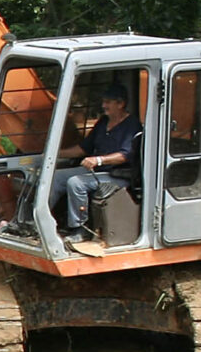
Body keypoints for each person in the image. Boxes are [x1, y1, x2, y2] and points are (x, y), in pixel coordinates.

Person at [51, 85, 143, 240]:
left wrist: (99, 160)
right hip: (98, 171)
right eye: (103, 101)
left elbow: (126, 155)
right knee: (57, 177)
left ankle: (80, 229)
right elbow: (84, 148)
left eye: (108, 102)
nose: (103, 106)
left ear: (120, 104)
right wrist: (55, 153)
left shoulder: (132, 125)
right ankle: (40, 219)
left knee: (76, 183)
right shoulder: (103, 122)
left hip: (118, 174)